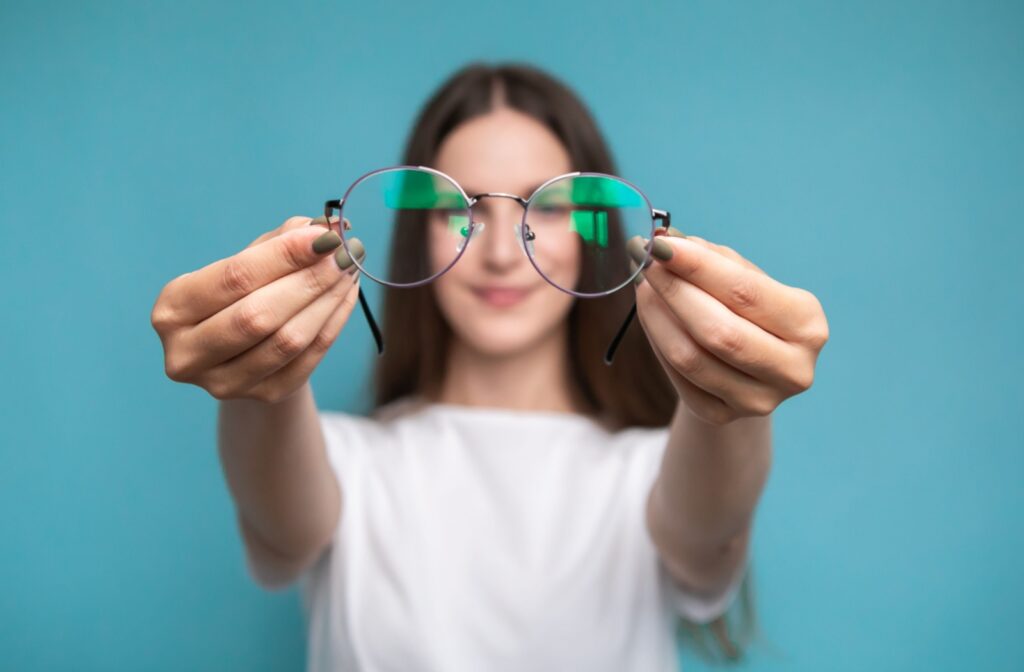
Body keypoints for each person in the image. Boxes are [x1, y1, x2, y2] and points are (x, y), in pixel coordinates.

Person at [150, 62, 829, 671]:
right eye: (462, 207)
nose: (502, 251)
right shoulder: (345, 467)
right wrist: (257, 367)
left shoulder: (653, 474)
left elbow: (709, 523)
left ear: (595, 232)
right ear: (417, 231)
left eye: (550, 206)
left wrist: (730, 392)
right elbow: (278, 509)